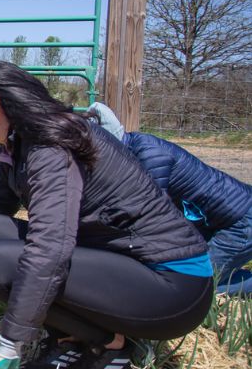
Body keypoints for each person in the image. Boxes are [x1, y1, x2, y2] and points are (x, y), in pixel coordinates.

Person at [0, 62, 213, 369]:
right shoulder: (16, 145)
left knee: (0, 263)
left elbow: (49, 248)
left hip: (171, 284)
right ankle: (72, 338)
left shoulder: (50, 146)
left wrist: (11, 341)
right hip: (121, 264)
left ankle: (112, 347)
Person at [89, 102, 251, 296]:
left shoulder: (148, 155)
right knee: (191, 278)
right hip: (215, 221)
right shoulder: (135, 150)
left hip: (240, 223)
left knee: (196, 287)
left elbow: (153, 214)